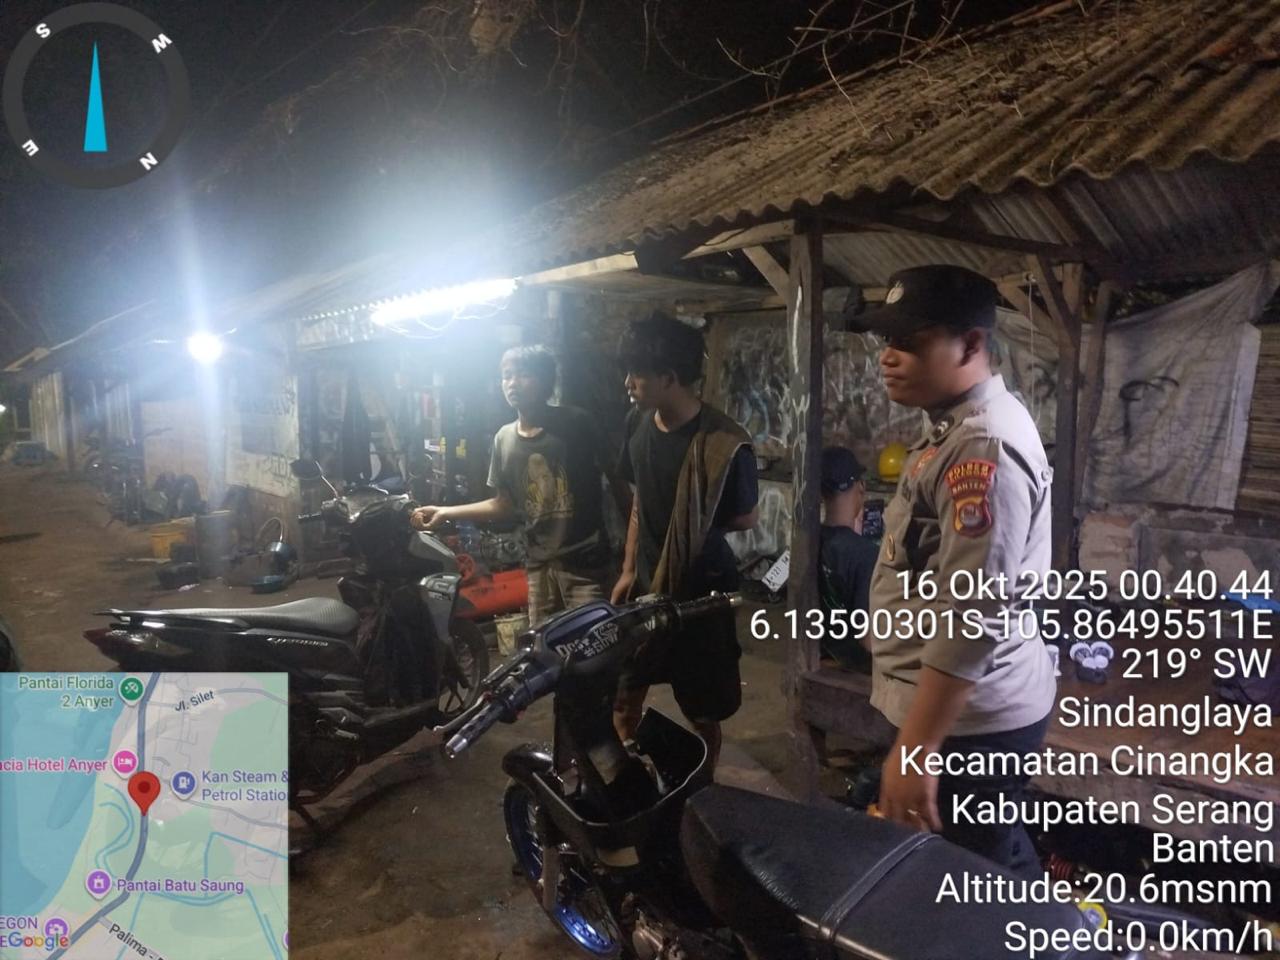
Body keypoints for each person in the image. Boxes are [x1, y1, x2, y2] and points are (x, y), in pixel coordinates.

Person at [861, 264, 1057, 878]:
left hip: (968, 728)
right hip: (958, 715)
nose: (888, 357)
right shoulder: (951, 429)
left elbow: (974, 616)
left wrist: (916, 750)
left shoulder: (981, 447)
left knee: (973, 888)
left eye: (909, 343)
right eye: (886, 341)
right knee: (978, 865)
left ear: (971, 344)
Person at [611, 312, 759, 769]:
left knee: (703, 710)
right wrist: (630, 568)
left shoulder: (724, 442)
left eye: (637, 374)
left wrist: (691, 526)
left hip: (701, 595)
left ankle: (703, 781)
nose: (628, 383)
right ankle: (631, 779)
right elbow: (640, 501)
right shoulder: (636, 425)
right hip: (647, 589)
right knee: (624, 695)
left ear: (669, 377)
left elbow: (746, 517)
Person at [411, 345, 628, 625]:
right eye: (506, 375)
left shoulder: (577, 423)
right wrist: (444, 512)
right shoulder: (504, 439)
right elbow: (503, 504)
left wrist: (630, 558)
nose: (512, 383)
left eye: (523, 375)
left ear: (546, 380)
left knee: (594, 643)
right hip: (539, 569)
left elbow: (618, 482)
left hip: (586, 567)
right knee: (542, 645)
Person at [818, 446, 878, 671]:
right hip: (852, 670)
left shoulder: (807, 542)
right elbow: (868, 640)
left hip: (816, 658)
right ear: (860, 487)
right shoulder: (866, 554)